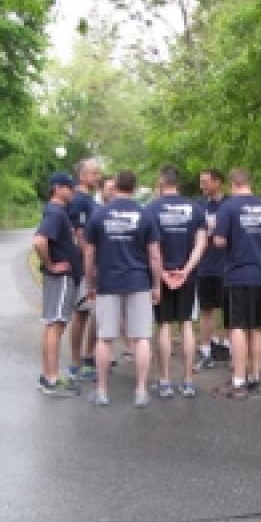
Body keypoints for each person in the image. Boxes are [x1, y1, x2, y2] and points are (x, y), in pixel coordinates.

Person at [83, 170, 163, 407]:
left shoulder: (100, 214)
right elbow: (155, 256)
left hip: (108, 281)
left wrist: (90, 283)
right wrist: (156, 284)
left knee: (105, 338)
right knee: (141, 338)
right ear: (135, 188)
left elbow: (88, 253)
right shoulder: (145, 215)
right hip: (138, 281)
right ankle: (140, 391)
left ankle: (102, 391)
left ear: (115, 186)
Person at [210, 168, 261, 400]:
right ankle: (254, 378)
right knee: (256, 327)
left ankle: (238, 380)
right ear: (249, 183)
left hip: (238, 273)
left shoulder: (228, 207)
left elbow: (219, 241)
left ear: (232, 184)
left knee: (238, 326)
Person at [145, 164, 207, 399]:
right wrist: (185, 271)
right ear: (178, 184)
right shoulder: (195, 209)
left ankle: (165, 381)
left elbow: (150, 248)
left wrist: (161, 274)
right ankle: (188, 381)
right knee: (187, 325)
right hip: (187, 277)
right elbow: (201, 243)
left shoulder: (151, 209)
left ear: (161, 183)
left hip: (161, 276)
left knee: (164, 326)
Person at [32, 172, 82, 397]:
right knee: (55, 324)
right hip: (60, 277)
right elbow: (40, 240)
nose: (72, 192)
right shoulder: (55, 212)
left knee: (54, 325)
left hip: (62, 278)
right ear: (58, 188)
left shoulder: (58, 212)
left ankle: (48, 375)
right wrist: (50, 264)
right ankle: (51, 379)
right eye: (70, 188)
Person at [68, 158, 102, 382]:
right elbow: (79, 234)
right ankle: (75, 361)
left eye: (98, 173)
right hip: (84, 266)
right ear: (82, 176)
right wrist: (89, 261)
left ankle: (90, 356)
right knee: (82, 313)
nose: (98, 176)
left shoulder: (91, 200)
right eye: (94, 173)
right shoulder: (79, 201)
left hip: (97, 264)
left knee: (96, 313)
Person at [193, 168, 229, 371]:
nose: (202, 186)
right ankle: (206, 348)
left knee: (229, 311)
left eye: (205, 182)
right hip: (205, 265)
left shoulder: (229, 204)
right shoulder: (198, 205)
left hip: (226, 265)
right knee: (206, 309)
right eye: (200, 182)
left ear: (218, 182)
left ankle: (227, 346)